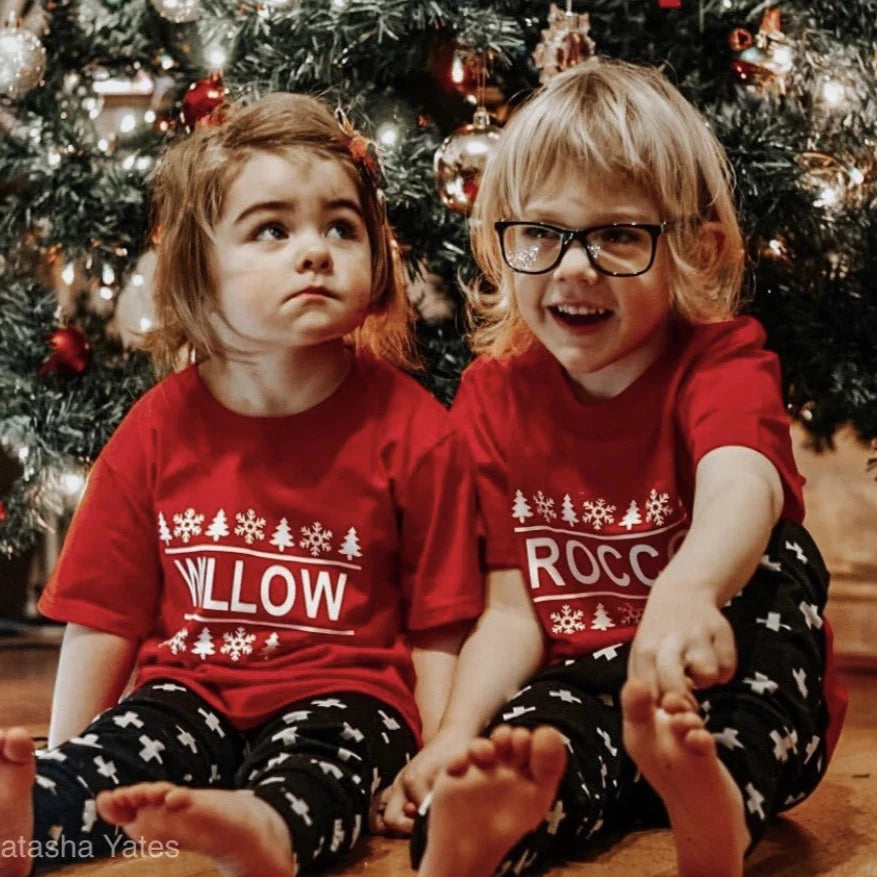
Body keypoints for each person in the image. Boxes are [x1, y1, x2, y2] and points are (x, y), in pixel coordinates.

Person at [384, 57, 849, 877]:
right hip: (594, 691)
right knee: (532, 745)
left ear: (693, 250)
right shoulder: (492, 398)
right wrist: (453, 737)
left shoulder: (720, 361)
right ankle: (479, 837)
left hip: (728, 678)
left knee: (783, 558)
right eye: (539, 233)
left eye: (618, 235)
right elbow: (509, 613)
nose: (573, 266)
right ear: (500, 243)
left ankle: (716, 802)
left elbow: (742, 479)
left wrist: (687, 589)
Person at [0, 92, 483, 877]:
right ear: (199, 267)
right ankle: (22, 819)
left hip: (345, 698)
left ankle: (265, 829)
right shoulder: (156, 428)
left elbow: (440, 628)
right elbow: (103, 617)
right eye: (272, 229)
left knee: (323, 772)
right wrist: (68, 748)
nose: (316, 250)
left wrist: (425, 764)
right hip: (188, 691)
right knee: (114, 757)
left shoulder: (416, 431)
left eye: (341, 226)